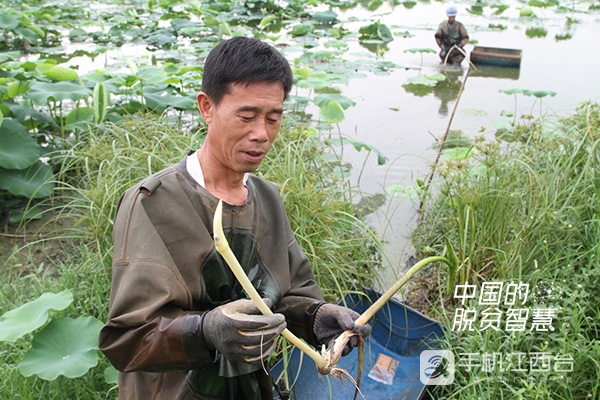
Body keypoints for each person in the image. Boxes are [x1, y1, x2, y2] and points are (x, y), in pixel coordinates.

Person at [98, 36, 372, 400]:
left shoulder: (268, 199)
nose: (261, 134)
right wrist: (205, 332)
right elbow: (127, 341)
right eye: (247, 116)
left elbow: (283, 298)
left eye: (273, 119)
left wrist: (315, 316)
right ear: (206, 107)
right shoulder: (152, 204)